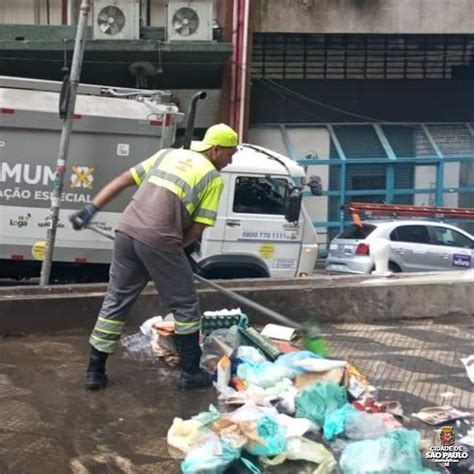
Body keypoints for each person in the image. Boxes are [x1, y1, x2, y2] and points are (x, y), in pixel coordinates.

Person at [70, 123, 238, 391]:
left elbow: (123, 180)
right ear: (216, 149)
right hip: (160, 239)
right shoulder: (212, 177)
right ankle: (191, 372)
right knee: (185, 306)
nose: (230, 161)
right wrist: (172, 249)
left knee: (116, 300)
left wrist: (92, 207)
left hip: (126, 232)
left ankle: (95, 371)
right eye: (230, 153)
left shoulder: (167, 155)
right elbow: (197, 228)